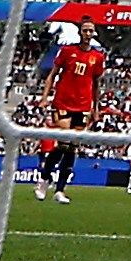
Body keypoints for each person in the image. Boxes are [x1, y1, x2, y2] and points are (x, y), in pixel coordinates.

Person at [36, 22, 107, 203]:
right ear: (80, 32)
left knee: (72, 147)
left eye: (91, 31)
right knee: (63, 143)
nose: (88, 33)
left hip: (83, 105)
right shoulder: (67, 51)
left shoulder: (97, 57)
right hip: (63, 102)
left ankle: (60, 190)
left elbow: (96, 84)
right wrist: (45, 97)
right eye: (85, 30)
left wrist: (96, 108)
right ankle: (44, 179)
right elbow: (53, 74)